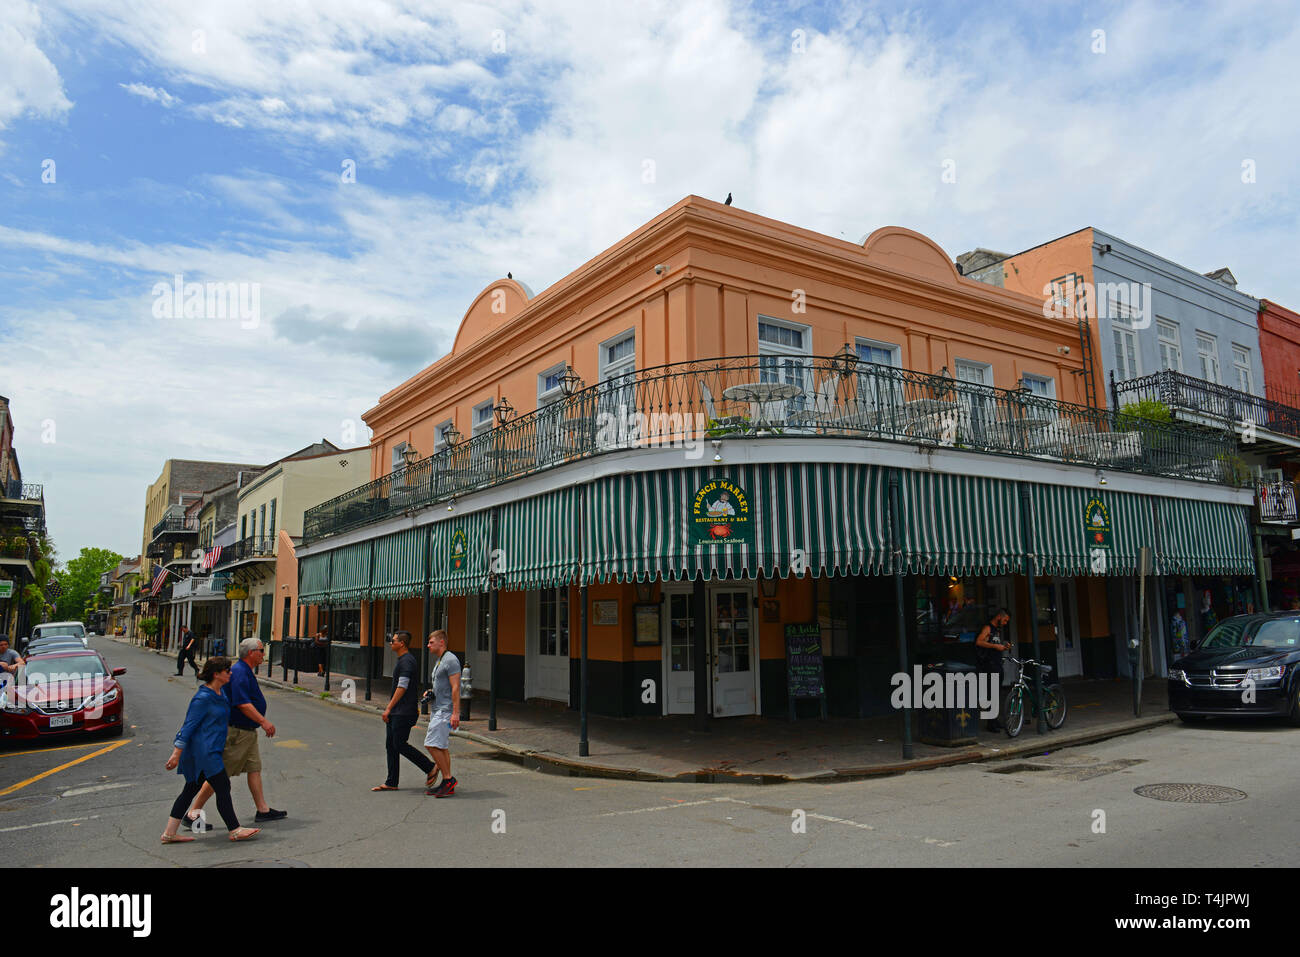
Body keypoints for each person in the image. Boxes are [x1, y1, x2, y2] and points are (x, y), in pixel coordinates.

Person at [186, 638, 286, 827]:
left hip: (248, 732)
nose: (264, 654)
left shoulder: (244, 671)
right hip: (238, 733)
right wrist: (264, 721)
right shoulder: (240, 672)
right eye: (261, 650)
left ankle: (263, 809)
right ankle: (193, 813)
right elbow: (241, 703)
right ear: (251, 653)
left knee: (254, 768)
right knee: (218, 775)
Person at [160, 656, 260, 844]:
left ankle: (169, 833)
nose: (230, 673)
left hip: (212, 749)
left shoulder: (221, 693)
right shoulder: (202, 698)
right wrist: (176, 754)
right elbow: (188, 726)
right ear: (216, 674)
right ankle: (235, 830)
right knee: (223, 786)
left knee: (190, 790)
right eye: (227, 671)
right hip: (204, 752)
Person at [372, 631, 436, 791]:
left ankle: (430, 767)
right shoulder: (403, 660)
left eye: (393, 640)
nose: (390, 643)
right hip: (397, 711)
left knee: (399, 744)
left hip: (404, 711)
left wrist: (388, 708)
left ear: (402, 643)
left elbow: (402, 687)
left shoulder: (407, 662)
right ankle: (391, 782)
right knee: (391, 745)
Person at [422, 630, 461, 797]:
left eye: (431, 642)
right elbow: (443, 685)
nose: (428, 645)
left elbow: (456, 687)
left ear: (441, 642)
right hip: (438, 707)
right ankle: (446, 783)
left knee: (431, 744)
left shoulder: (451, 660)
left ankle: (448, 778)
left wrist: (456, 713)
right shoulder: (440, 660)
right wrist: (431, 692)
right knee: (442, 747)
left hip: (445, 710)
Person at [974, 608, 1012, 733]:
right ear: (999, 617)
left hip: (997, 664)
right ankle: (990, 723)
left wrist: (1004, 646)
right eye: (1005, 620)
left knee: (996, 694)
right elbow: (979, 642)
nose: (1006, 623)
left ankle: (994, 720)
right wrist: (995, 646)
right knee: (991, 695)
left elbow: (995, 644)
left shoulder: (997, 630)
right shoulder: (988, 628)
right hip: (989, 666)